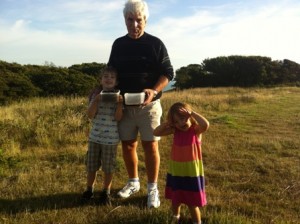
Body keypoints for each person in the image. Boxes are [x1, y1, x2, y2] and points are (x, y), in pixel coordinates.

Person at [107, 0, 174, 208]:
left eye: (139, 20)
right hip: (124, 106)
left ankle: (152, 188)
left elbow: (168, 73)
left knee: (150, 145)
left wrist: (154, 90)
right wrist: (101, 91)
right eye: (130, 20)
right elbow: (111, 71)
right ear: (124, 19)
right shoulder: (118, 44)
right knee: (128, 145)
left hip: (149, 107)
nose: (134, 25)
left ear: (145, 20)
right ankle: (133, 182)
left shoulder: (155, 44)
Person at [153, 102, 209, 224]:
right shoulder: (176, 131)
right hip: (177, 171)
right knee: (175, 199)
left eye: (183, 118)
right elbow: (156, 133)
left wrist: (193, 113)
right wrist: (167, 124)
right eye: (176, 122)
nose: (181, 123)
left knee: (192, 203)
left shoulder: (195, 131)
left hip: (191, 172)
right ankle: (175, 218)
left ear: (190, 116)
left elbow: (205, 124)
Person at [82, 66, 123, 206]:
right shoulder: (95, 95)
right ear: (101, 80)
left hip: (111, 139)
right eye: (106, 76)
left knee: (108, 167)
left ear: (116, 82)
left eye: (112, 77)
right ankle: (89, 189)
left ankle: (106, 191)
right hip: (95, 137)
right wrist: (96, 100)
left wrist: (120, 104)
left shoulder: (119, 95)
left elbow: (118, 118)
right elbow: (90, 115)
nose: (108, 79)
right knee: (91, 165)